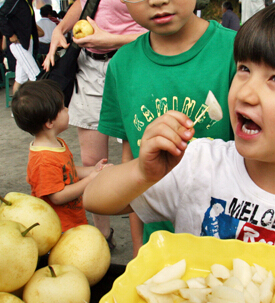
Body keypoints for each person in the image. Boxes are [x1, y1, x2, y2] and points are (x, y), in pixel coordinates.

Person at [85, 0, 275, 303]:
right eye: (245, 69)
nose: (245, 92)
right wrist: (142, 172)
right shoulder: (200, 165)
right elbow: (95, 199)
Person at [98, 0, 237, 257]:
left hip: (229, 244)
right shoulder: (122, 65)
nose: (157, 1)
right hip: (160, 249)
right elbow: (130, 163)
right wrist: (140, 250)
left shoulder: (237, 52)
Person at [42, 0, 147, 248]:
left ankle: (140, 245)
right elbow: (82, 4)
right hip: (88, 66)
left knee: (135, 162)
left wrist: (111, 39)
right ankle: (102, 236)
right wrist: (59, 29)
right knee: (91, 162)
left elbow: (159, 34)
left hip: (129, 64)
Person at [11, 80, 111, 233]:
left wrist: (93, 170)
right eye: (62, 108)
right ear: (50, 122)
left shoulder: (55, 144)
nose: (66, 109)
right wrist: (91, 179)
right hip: (59, 229)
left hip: (72, 221)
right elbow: (57, 196)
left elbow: (67, 171)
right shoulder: (44, 159)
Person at [0, 0, 41, 95]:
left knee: (20, 79)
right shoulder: (14, 1)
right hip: (19, 43)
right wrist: (10, 34)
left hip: (27, 42)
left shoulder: (26, 2)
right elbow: (1, 16)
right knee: (35, 75)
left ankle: (15, 109)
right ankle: (38, 106)